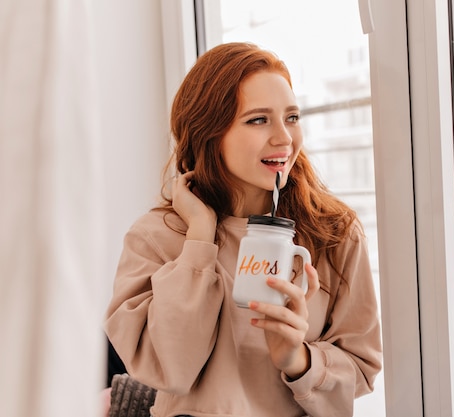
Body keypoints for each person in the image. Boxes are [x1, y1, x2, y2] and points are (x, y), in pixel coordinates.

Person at [104, 41, 382, 417]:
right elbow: (169, 370)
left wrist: (297, 359)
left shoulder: (334, 233)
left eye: (292, 117)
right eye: (258, 119)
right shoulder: (155, 237)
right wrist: (200, 236)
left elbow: (362, 370)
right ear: (209, 133)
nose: (284, 138)